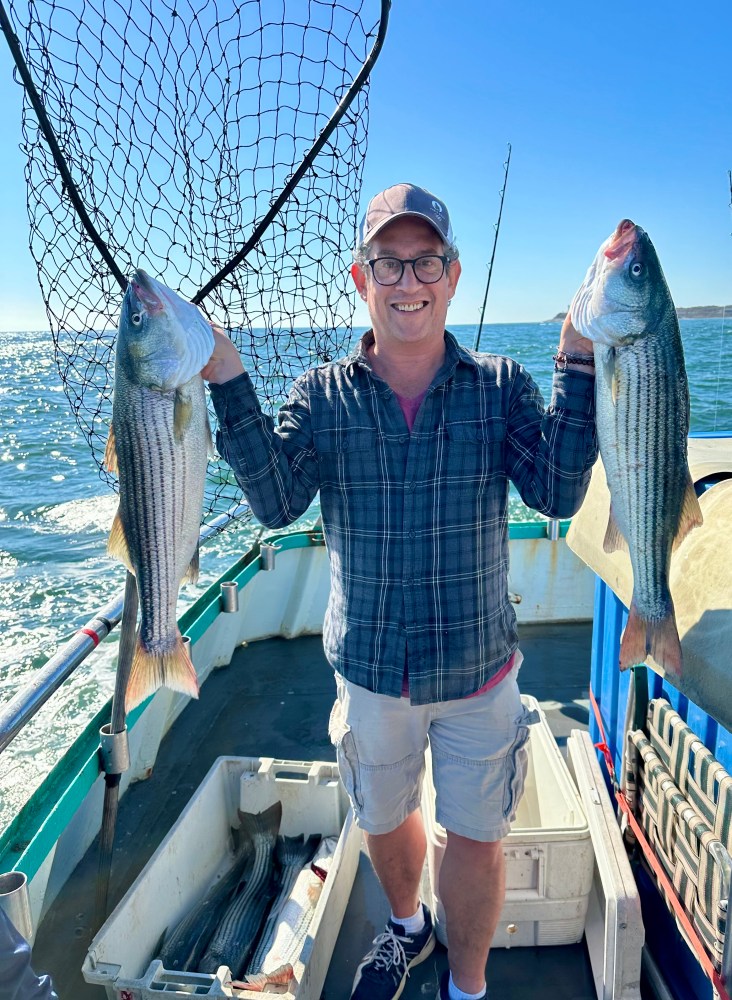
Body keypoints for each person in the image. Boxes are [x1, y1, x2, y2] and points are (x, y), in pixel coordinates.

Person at [202, 183, 597, 1000]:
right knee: (382, 821)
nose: (407, 280)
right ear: (361, 277)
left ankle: (468, 983)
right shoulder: (319, 396)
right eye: (389, 261)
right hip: (371, 671)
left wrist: (580, 360)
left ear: (452, 275)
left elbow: (557, 493)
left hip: (479, 671)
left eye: (425, 262)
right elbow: (276, 505)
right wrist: (226, 374)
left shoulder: (501, 386)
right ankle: (408, 925)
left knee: (478, 839)